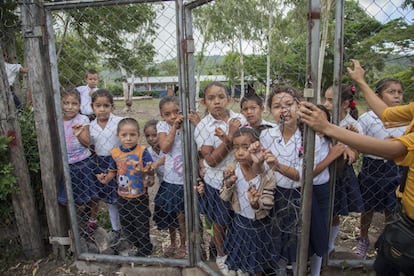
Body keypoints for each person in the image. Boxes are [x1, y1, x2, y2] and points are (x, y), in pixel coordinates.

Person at [299, 59, 413, 276]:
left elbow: (394, 150)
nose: (413, 78)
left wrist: (327, 128)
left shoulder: (349, 124)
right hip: (406, 210)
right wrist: (360, 80)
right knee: (388, 262)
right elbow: (388, 115)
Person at [194, 82, 246, 274]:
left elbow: (248, 145)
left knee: (239, 221)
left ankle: (238, 256)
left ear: (229, 99)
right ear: (204, 102)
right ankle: (222, 256)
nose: (217, 101)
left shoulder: (239, 118)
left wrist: (231, 138)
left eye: (221, 97)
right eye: (211, 98)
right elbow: (212, 160)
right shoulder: (202, 127)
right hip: (217, 183)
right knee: (219, 222)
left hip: (241, 179)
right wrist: (231, 136)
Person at [355, 78, 406, 259]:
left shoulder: (405, 118)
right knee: (367, 208)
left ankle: (388, 243)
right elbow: (358, 143)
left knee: (391, 209)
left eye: (399, 92)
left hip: (396, 169)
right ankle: (363, 239)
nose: (396, 96)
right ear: (377, 96)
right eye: (391, 92)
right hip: (372, 168)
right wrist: (379, 145)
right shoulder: (367, 119)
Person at [220, 127, 277, 276]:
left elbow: (268, 202)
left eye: (245, 147)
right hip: (240, 224)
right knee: (241, 262)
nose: (240, 152)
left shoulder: (265, 174)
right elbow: (224, 196)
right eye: (236, 147)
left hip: (259, 228)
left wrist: (256, 204)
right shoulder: (233, 169)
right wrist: (229, 184)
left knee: (257, 266)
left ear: (255, 147)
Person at [259, 86, 304, 276]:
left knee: (295, 237)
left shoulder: (307, 136)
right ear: (270, 111)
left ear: (299, 107)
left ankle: (297, 268)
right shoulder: (267, 135)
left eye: (289, 104)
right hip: (273, 193)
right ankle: (278, 269)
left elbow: (301, 175)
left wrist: (276, 165)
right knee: (274, 235)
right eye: (277, 106)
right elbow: (260, 168)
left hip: (298, 196)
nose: (283, 110)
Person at [96, 118, 155, 257]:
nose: (128, 138)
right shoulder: (115, 153)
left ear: (138, 136)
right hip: (122, 196)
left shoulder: (142, 151)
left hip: (139, 197)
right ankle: (135, 246)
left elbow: (150, 170)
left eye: (132, 135)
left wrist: (141, 168)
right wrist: (105, 179)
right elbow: (112, 171)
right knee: (127, 225)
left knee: (142, 225)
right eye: (124, 135)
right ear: (118, 136)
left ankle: (146, 250)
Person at [323, 84, 364, 255]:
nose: (326, 104)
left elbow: (354, 155)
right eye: (325, 99)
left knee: (334, 213)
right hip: (322, 169)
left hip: (341, 174)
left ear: (345, 104)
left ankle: (329, 246)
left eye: (331, 101)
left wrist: (351, 143)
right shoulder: (323, 119)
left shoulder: (353, 126)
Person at [57, 88, 99, 235]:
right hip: (66, 164)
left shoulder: (82, 120)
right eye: (66, 103)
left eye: (74, 103)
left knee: (93, 195)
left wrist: (79, 134)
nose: (70, 107)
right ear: (60, 104)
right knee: (70, 197)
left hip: (84, 163)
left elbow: (87, 143)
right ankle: (74, 224)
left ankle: (92, 220)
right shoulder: (57, 120)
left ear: (80, 105)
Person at [310, 105, 346, 276]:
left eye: (323, 121)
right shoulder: (302, 141)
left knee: (320, 231)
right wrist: (331, 156)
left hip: (322, 190)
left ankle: (316, 271)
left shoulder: (330, 142)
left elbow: (336, 169)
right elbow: (307, 174)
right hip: (303, 190)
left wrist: (344, 152)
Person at [89, 89, 124, 247]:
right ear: (92, 107)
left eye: (106, 105)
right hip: (102, 163)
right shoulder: (90, 126)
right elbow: (90, 146)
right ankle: (116, 229)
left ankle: (129, 229)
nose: (102, 109)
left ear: (112, 107)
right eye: (98, 105)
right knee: (111, 200)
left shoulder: (120, 122)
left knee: (126, 196)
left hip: (121, 161)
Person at [155, 96, 187, 259]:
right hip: (171, 179)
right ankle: (173, 242)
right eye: (168, 114)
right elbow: (165, 147)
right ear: (162, 116)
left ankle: (184, 245)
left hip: (186, 180)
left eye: (176, 112)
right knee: (171, 215)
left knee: (183, 216)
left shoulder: (188, 123)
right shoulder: (163, 126)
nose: (173, 116)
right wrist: (174, 127)